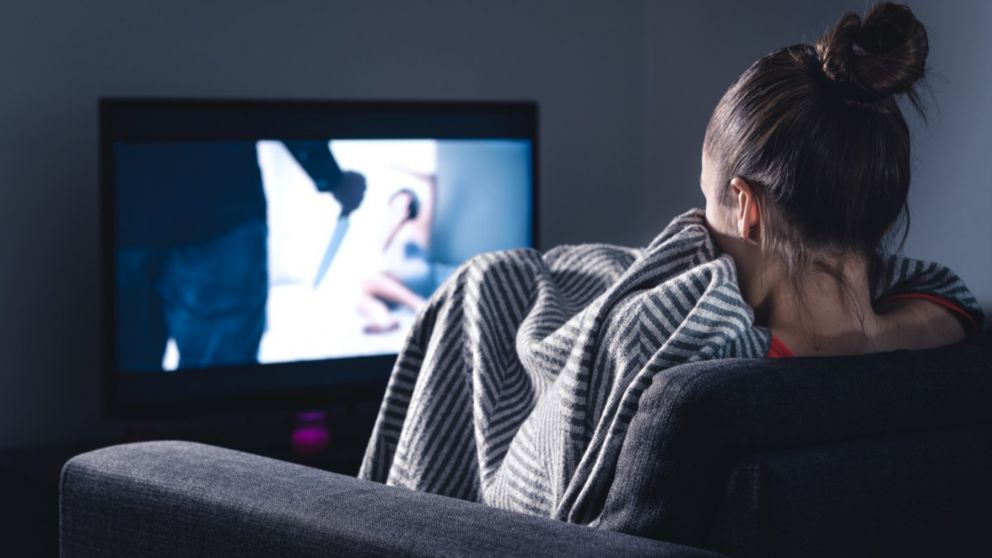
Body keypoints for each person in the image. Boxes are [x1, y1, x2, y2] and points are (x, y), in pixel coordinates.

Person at [698, 1, 978, 356]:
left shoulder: (709, 376)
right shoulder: (948, 326)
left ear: (746, 208)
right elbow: (949, 294)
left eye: (705, 196)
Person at [116, 140, 366, 371]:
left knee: (132, 375)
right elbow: (280, 99)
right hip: (216, 209)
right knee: (219, 381)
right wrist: (332, 178)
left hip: (126, 213)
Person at [357, 170, 437, 334]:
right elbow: (380, 247)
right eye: (397, 203)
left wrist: (402, 168)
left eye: (405, 203)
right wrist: (394, 221)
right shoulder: (390, 229)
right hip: (399, 281)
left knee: (368, 281)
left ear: (411, 206)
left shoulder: (418, 225)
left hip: (418, 276)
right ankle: (384, 320)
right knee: (361, 298)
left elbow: (432, 183)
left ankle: (418, 305)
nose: (401, 207)